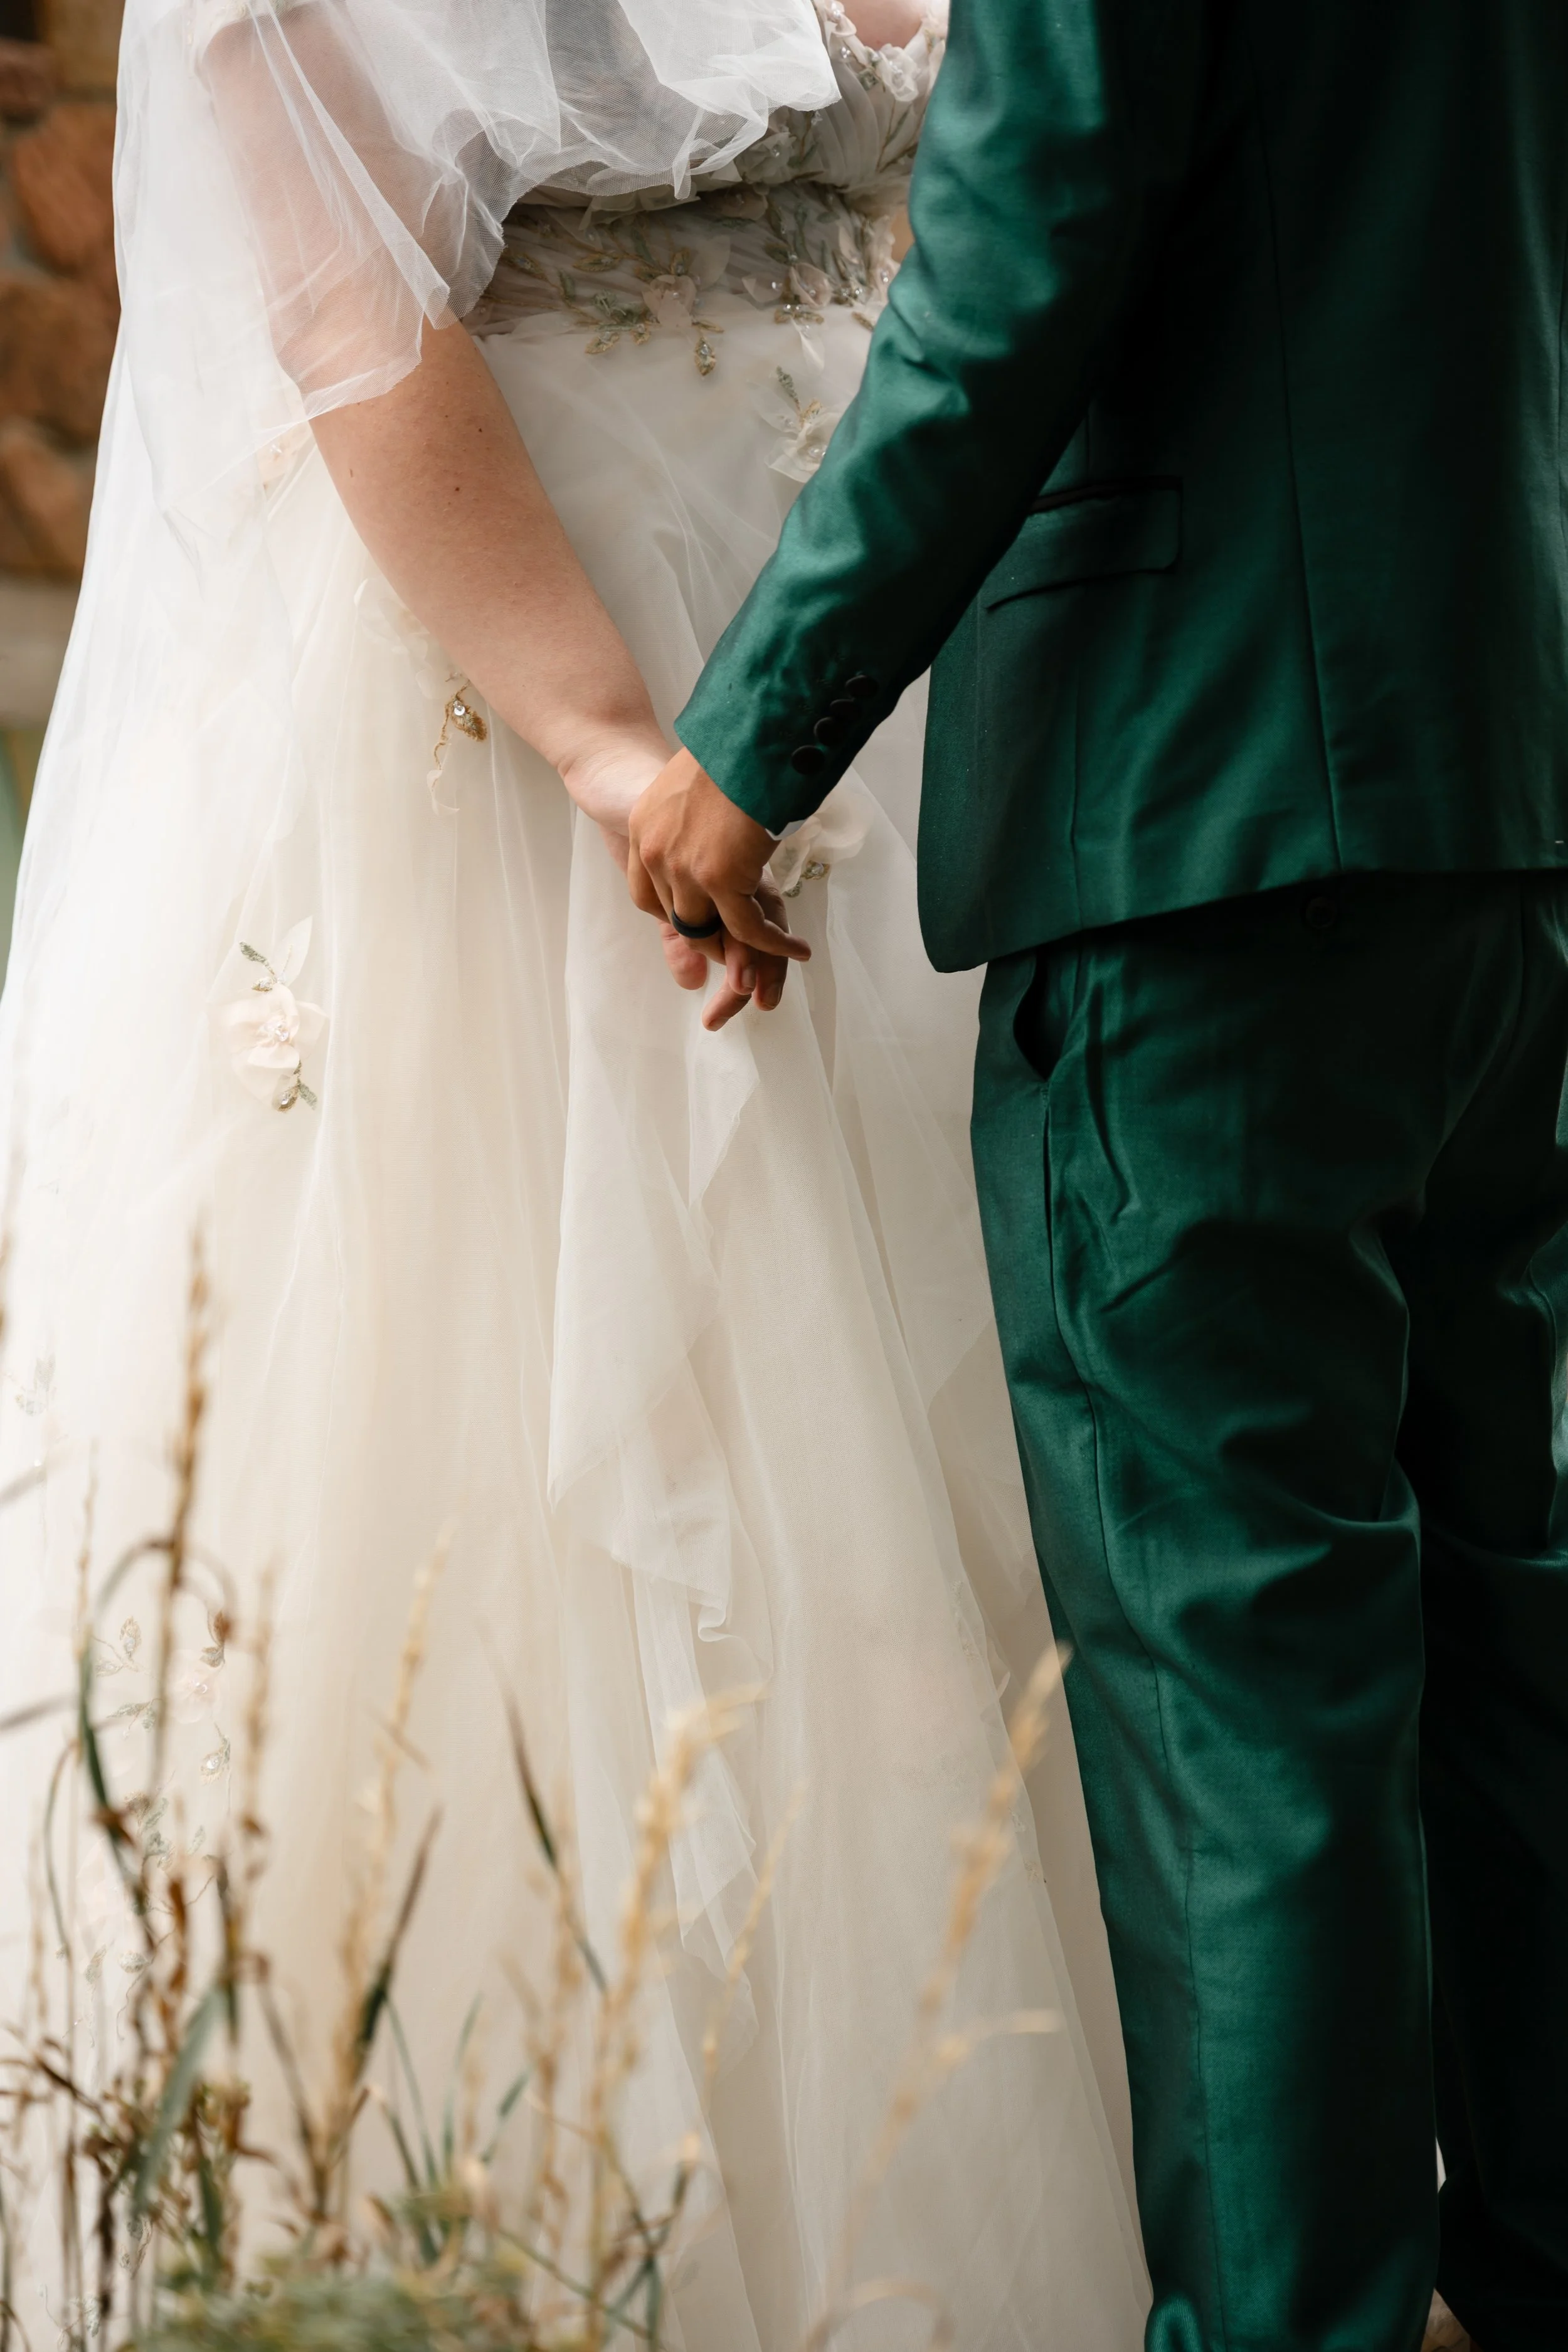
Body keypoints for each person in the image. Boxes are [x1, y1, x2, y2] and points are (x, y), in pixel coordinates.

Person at [0, 0, 1152, 2343]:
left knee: (1005, 1426)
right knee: (609, 1407)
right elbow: (327, 254)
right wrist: (615, 748)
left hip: (907, 633)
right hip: (548, 665)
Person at [627, 5, 1568, 2349]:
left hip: (1196, 809)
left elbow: (1022, 256)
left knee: (1234, 1671)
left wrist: (748, 744)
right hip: (1499, 790)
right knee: (1513, 1631)